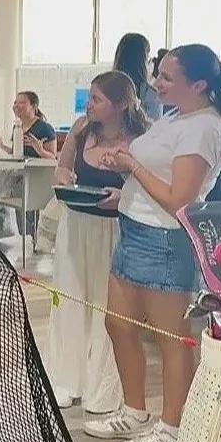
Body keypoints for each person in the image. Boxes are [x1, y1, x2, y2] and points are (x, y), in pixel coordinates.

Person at [84, 45, 221, 442]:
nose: (157, 82)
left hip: (167, 239)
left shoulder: (203, 128)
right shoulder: (173, 117)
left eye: (167, 77)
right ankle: (134, 410)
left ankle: (173, 428)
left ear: (199, 85)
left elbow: (180, 199)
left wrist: (132, 167)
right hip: (134, 228)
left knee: (172, 341)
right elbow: (154, 175)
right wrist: (125, 186)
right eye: (157, 72)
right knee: (119, 325)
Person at [45, 71, 149, 413]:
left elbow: (148, 185)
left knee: (108, 307)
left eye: (97, 99)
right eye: (89, 97)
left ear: (119, 105)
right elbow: (62, 167)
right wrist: (64, 177)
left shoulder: (140, 140)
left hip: (113, 230)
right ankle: (65, 378)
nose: (89, 105)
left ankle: (101, 385)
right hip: (76, 225)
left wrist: (123, 195)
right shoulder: (81, 130)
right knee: (71, 299)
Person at [0, 91, 56, 239]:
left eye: (22, 102)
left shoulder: (44, 128)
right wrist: (2, 145)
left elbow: (53, 158)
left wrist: (40, 150)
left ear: (34, 106)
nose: (16, 106)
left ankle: (12, 230)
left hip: (36, 177)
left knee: (3, 186)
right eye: (15, 103)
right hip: (19, 172)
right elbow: (17, 153)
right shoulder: (18, 127)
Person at [112, 32, 164, 121]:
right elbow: (154, 128)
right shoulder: (150, 94)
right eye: (148, 58)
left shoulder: (106, 86)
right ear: (142, 61)